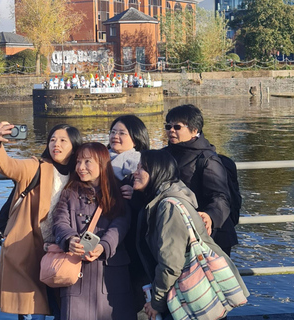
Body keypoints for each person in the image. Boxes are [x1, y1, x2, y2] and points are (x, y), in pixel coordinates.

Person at [132, 149, 249, 320]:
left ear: (157, 171)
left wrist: (156, 303)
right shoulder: (172, 196)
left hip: (184, 293)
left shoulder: (168, 206)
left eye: (141, 168)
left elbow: (170, 264)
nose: (135, 173)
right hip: (189, 289)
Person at [0, 122, 82, 319]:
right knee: (33, 310)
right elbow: (9, 166)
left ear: (74, 147)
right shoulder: (36, 167)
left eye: (64, 140)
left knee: (58, 306)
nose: (57, 144)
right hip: (29, 246)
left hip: (59, 249)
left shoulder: (78, 175)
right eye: (53, 140)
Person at [51, 142, 137, 320]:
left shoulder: (118, 191)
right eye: (78, 162)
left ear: (102, 163)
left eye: (87, 162)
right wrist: (69, 239)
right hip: (76, 270)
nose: (81, 167)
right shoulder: (70, 192)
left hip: (111, 271)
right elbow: (60, 220)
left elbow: (121, 224)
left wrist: (104, 245)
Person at [163, 104, 237, 256]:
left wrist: (210, 216)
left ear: (194, 130)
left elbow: (221, 197)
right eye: (168, 126)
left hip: (209, 236)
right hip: (175, 232)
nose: (171, 130)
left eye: (177, 127)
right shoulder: (163, 155)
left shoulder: (208, 159)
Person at [107, 114, 151, 311]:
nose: (115, 136)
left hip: (134, 238)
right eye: (113, 131)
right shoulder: (98, 159)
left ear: (136, 137)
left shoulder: (143, 164)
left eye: (122, 133)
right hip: (106, 232)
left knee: (136, 292)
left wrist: (136, 192)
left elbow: (153, 197)